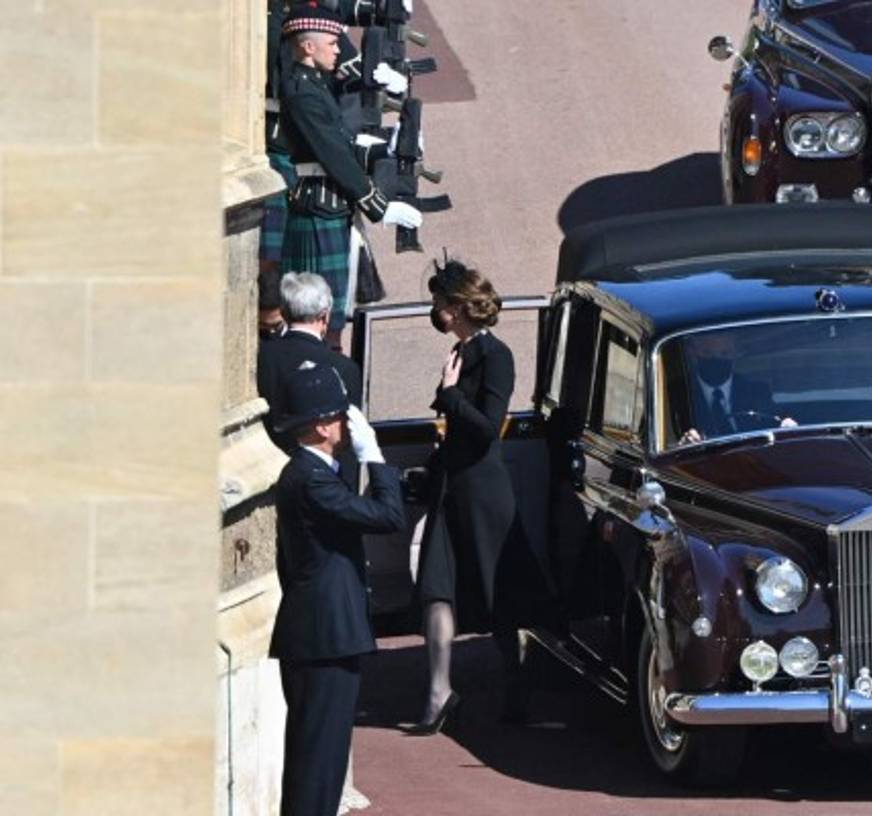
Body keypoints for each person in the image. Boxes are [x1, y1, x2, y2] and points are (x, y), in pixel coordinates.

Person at [270, 365, 405, 816]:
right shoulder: (311, 479)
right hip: (323, 636)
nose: (349, 426)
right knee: (317, 763)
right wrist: (376, 458)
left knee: (320, 762)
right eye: (343, 417)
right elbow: (388, 516)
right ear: (324, 425)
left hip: (321, 632)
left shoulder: (310, 472)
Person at [412, 258, 540, 731]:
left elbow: (488, 426)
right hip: (450, 485)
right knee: (436, 588)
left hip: (484, 489)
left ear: (459, 307)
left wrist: (450, 395)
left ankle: (517, 686)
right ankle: (438, 690)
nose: (436, 312)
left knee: (498, 592)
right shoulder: (460, 351)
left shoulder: (496, 355)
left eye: (440, 304)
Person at [276, 3, 421, 349]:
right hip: (317, 207)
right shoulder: (302, 92)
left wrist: (386, 145)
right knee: (316, 318)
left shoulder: (316, 85)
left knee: (335, 315)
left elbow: (341, 142)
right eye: (333, 43)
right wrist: (378, 204)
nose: (339, 49)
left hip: (331, 205)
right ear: (309, 47)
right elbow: (333, 154)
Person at [257, 273, 362, 460]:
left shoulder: (260, 358)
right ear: (324, 316)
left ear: (285, 313)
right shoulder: (344, 368)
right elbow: (348, 440)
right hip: (322, 478)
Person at [679, 330, 795, 445]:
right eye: (707, 352)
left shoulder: (757, 391)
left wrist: (786, 423)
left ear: (735, 353)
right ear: (692, 352)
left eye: (725, 353)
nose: (715, 359)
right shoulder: (678, 395)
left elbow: (778, 419)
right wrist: (686, 441)